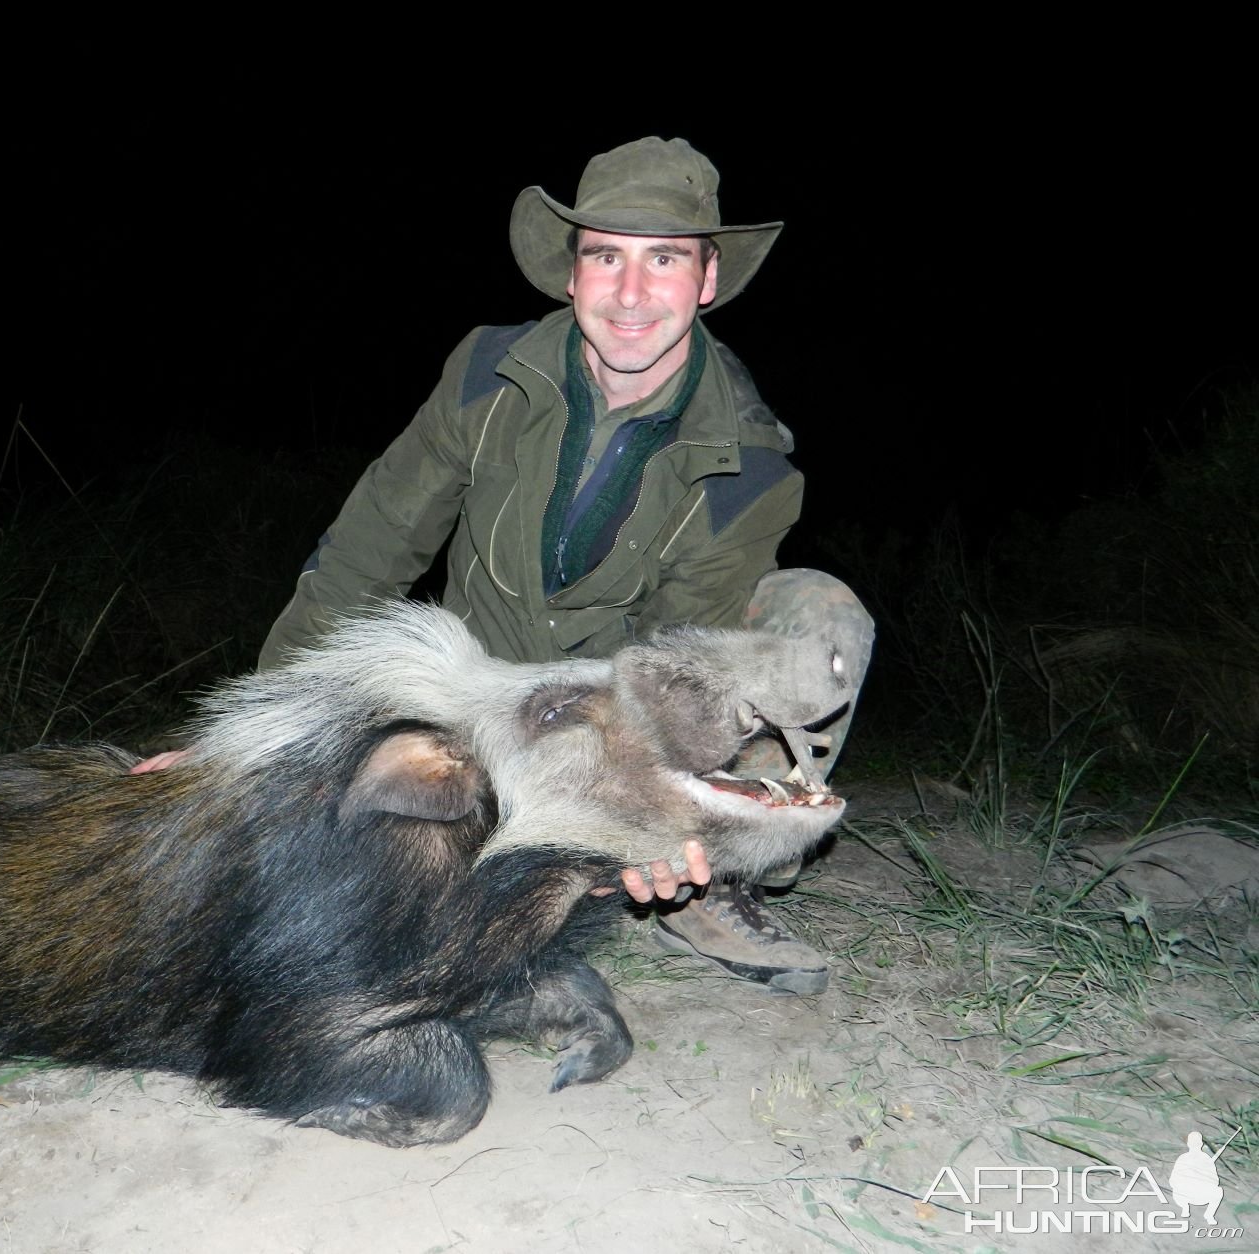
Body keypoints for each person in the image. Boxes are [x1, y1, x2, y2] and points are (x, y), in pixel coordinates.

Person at [263, 137, 875, 994]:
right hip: (482, 702)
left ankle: (711, 875)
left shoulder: (753, 465)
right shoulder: (484, 372)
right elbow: (370, 548)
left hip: (610, 722)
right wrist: (269, 739)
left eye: (663, 259)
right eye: (606, 257)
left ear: (706, 281)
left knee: (821, 615)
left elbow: (679, 668)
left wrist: (653, 822)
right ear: (569, 273)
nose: (630, 294)